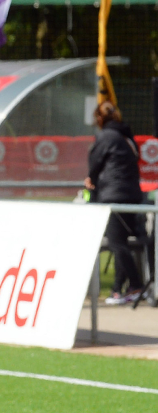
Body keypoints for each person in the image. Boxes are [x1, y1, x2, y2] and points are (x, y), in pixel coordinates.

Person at [86, 101, 146, 305]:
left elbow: (94, 163)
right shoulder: (127, 137)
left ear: (100, 119)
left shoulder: (105, 137)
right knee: (123, 244)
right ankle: (118, 290)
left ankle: (137, 285)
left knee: (117, 243)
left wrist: (91, 180)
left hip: (114, 195)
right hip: (132, 196)